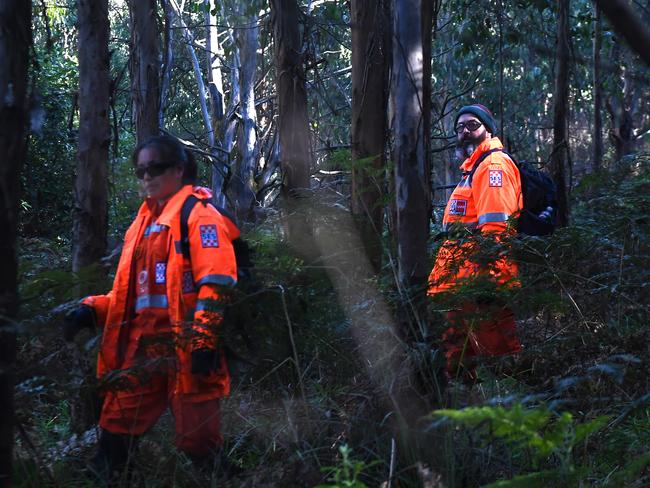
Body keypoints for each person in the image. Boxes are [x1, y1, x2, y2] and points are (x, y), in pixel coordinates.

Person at [64, 135, 239, 476]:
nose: (146, 177)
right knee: (114, 433)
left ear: (178, 170)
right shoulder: (143, 224)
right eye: (140, 171)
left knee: (200, 443)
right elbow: (132, 294)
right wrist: (92, 309)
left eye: (154, 169)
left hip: (187, 351)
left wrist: (203, 340)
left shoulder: (199, 216)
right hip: (140, 352)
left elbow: (217, 282)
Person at [428, 104, 522, 382]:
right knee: (458, 364)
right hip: (461, 285)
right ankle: (465, 419)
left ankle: (516, 414)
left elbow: (496, 228)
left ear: (488, 129)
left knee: (498, 360)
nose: (465, 132)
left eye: (472, 125)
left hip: (480, 283)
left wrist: (487, 282)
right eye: (459, 128)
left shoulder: (493, 167)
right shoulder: (473, 170)